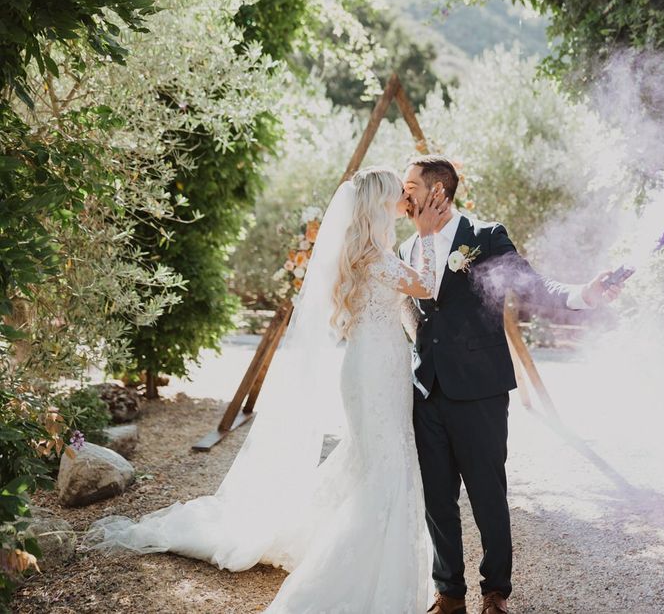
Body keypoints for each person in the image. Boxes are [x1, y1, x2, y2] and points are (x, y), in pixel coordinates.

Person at [85, 166, 451, 612]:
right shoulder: (375, 257)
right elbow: (428, 286)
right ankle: (342, 576)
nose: (406, 199)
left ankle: (333, 544)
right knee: (387, 468)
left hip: (373, 369)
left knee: (370, 462)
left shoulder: (368, 252)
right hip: (375, 374)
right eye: (399, 192)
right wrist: (429, 232)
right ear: (380, 204)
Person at [399, 155, 621, 614]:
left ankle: (495, 591)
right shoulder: (407, 249)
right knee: (437, 499)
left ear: (438, 191)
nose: (404, 196)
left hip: (479, 390)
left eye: (410, 187)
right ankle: (449, 593)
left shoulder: (484, 237)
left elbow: (533, 286)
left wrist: (584, 294)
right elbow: (413, 312)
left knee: (487, 494)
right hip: (426, 391)